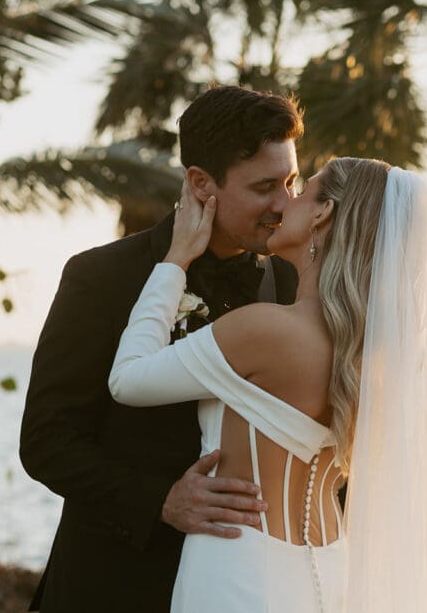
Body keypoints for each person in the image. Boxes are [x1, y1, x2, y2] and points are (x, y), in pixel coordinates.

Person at [109, 158, 427, 612]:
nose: (284, 202)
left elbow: (128, 379)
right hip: (332, 572)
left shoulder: (264, 330)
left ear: (323, 214)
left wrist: (176, 259)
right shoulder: (378, 360)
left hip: (239, 568)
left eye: (301, 189)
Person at [19, 86, 304, 612]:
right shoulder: (101, 277)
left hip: (243, 587)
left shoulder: (293, 283)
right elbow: (46, 441)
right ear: (200, 182)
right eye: (265, 186)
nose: (284, 204)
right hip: (115, 585)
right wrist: (160, 500)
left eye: (290, 181)